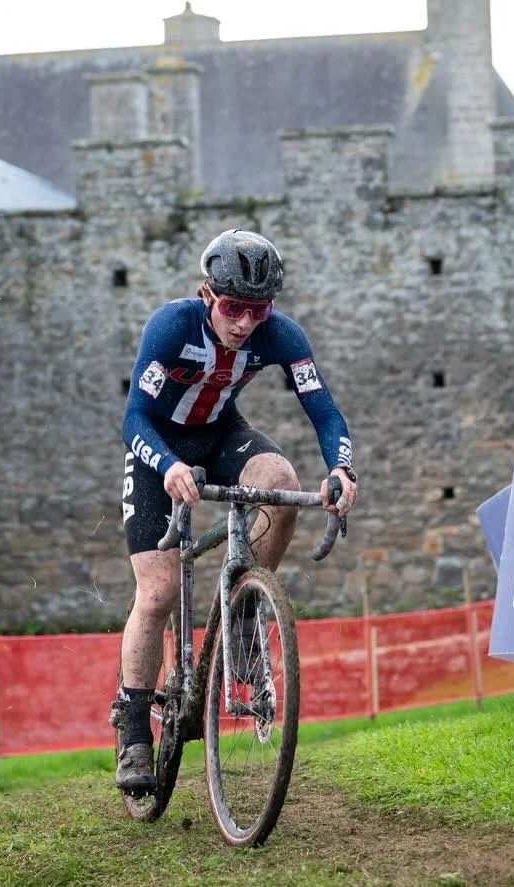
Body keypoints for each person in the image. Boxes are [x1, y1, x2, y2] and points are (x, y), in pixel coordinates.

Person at [115, 229, 358, 795]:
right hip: (159, 448)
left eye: (257, 310)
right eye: (232, 308)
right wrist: (168, 465)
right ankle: (132, 732)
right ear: (207, 296)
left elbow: (323, 410)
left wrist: (343, 469)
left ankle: (243, 617)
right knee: (157, 592)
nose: (244, 322)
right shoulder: (171, 326)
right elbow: (133, 418)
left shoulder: (280, 334)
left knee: (280, 482)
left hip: (222, 436)